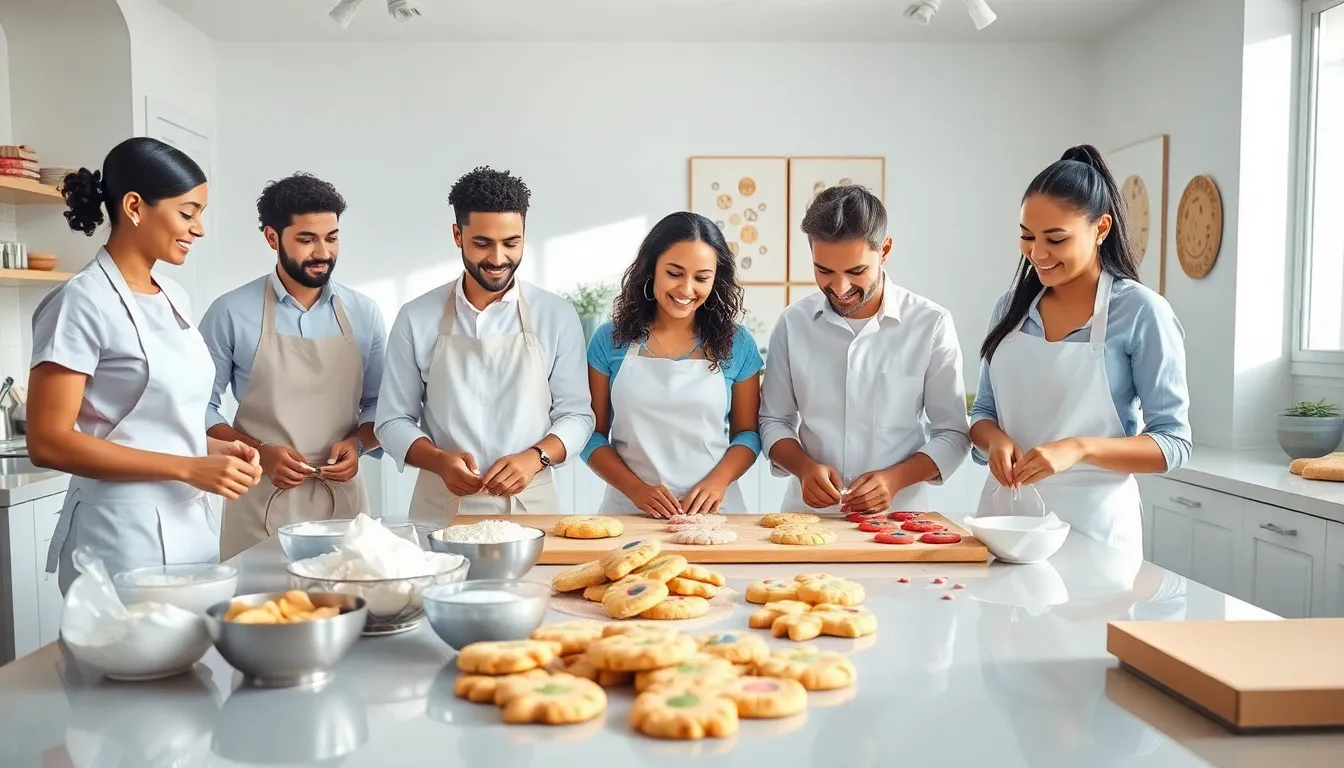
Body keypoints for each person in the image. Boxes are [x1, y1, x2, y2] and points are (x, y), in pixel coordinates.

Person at [26, 137, 262, 593]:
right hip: (119, 538)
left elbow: (154, 423)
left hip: (189, 525)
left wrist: (209, 454)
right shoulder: (81, 301)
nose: (199, 229)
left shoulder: (174, 296)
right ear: (135, 206)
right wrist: (187, 467)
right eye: (187, 212)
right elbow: (48, 442)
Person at [969, 144, 1192, 558]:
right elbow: (982, 411)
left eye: (1056, 239)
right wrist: (995, 440)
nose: (1037, 253)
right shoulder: (1010, 309)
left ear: (1101, 228)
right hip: (1005, 524)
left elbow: (1173, 443)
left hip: (1096, 532)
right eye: (1027, 236)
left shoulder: (1142, 313)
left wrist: (1079, 448)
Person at [375, 166, 594, 518]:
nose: (497, 259)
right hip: (441, 509)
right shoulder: (416, 317)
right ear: (457, 235)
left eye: (511, 243)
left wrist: (534, 458)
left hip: (532, 507)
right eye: (482, 243)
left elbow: (577, 415)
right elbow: (391, 421)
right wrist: (439, 461)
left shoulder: (556, 314)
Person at [200, 173, 386, 559]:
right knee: (257, 615)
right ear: (272, 238)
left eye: (332, 237)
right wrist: (260, 452)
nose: (323, 252)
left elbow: (381, 407)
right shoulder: (230, 312)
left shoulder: (364, 313)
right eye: (307, 239)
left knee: (346, 610)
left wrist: (358, 443)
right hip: (257, 504)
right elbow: (198, 408)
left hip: (344, 507)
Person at [759, 184, 971, 514]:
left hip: (899, 520)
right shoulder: (792, 323)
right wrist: (803, 468)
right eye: (824, 270)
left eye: (856, 271)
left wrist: (896, 479)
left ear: (884, 250)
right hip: (808, 516)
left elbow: (953, 433)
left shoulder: (931, 324)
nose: (840, 288)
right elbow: (773, 420)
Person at [584, 212, 763, 517]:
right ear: (651, 268)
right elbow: (592, 435)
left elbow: (748, 433)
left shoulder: (738, 342)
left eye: (701, 278)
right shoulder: (609, 339)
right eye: (675, 273)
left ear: (715, 280)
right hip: (629, 511)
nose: (686, 289)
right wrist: (635, 490)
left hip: (715, 511)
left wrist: (717, 482)